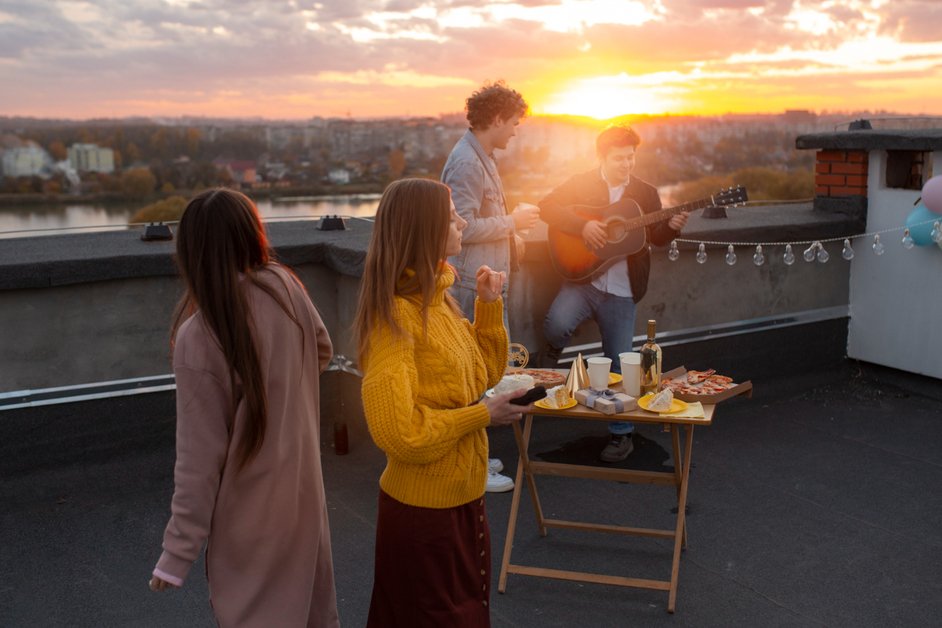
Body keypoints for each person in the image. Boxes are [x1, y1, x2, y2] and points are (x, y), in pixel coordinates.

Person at [149, 189, 339, 627]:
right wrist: (285, 401)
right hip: (303, 496)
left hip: (250, 516)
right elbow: (322, 350)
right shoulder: (283, 285)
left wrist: (175, 557)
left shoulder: (200, 335)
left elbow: (198, 462)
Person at [354, 178, 532, 626]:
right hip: (423, 516)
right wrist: (483, 415)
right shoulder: (396, 316)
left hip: (462, 499)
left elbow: (483, 375)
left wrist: (489, 307)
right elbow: (400, 434)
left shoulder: (440, 301)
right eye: (452, 214)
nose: (463, 220)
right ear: (425, 228)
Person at [538, 124, 689, 462]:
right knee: (555, 324)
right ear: (602, 157)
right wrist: (583, 225)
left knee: (622, 364)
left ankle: (622, 435)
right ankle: (548, 362)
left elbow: (657, 237)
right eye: (619, 158)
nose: (626, 164)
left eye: (631, 158)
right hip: (583, 280)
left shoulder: (646, 193)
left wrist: (672, 229)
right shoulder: (582, 182)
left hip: (621, 289)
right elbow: (546, 206)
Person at [441, 80, 539, 492]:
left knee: (480, 375)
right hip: (469, 284)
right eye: (513, 123)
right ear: (496, 119)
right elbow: (459, 227)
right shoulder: (467, 162)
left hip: (481, 281)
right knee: (468, 377)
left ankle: (474, 459)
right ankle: (469, 471)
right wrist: (513, 222)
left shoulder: (479, 156)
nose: (516, 131)